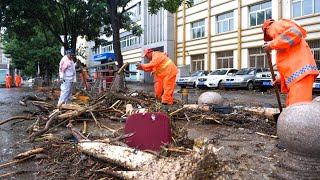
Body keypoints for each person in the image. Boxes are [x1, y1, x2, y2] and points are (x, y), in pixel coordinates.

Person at [262, 19, 319, 107]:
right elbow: (288, 62)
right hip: (299, 75)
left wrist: (271, 44)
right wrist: (280, 79)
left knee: (297, 109)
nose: (271, 37)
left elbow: (296, 33)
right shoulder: (281, 39)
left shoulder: (276, 25)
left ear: (267, 28)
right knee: (292, 107)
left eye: (268, 35)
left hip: (301, 74)